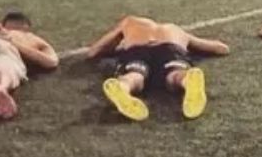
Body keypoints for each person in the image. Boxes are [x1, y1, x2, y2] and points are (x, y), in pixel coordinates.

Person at [85, 16, 230, 122]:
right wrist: (188, 41)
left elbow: (95, 51)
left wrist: (120, 46)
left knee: (134, 76)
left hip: (137, 48)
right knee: (174, 75)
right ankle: (186, 80)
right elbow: (221, 48)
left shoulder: (130, 22)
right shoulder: (176, 30)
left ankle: (122, 87)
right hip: (171, 47)